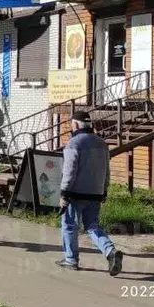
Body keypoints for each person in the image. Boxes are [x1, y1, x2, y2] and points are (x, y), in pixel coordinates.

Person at [57, 111, 124, 276]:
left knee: (70, 226)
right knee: (93, 226)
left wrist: (64, 194)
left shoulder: (73, 144)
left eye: (71, 124)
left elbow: (69, 172)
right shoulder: (102, 144)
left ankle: (71, 260)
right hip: (96, 193)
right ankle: (110, 251)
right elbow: (106, 171)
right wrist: (104, 190)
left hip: (75, 194)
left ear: (76, 125)